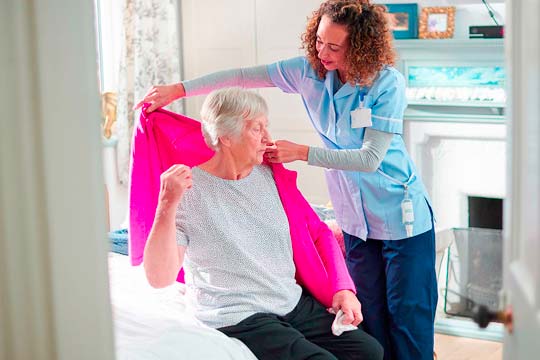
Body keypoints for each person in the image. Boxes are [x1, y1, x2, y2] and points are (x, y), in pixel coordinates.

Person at [136, 1, 437, 359]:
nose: (322, 52)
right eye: (320, 41)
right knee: (371, 319)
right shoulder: (308, 72)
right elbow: (243, 77)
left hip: (398, 212)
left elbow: (370, 159)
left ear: (358, 47)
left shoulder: (386, 83)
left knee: (408, 319)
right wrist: (179, 89)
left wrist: (302, 152)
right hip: (355, 219)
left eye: (334, 47)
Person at [143, 87, 383, 360]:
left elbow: (318, 232)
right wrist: (166, 204)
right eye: (257, 129)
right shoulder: (189, 191)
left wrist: (343, 289)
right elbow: (159, 278)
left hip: (287, 300)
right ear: (225, 136)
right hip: (237, 312)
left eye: (266, 127)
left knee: (369, 352)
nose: (268, 138)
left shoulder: (271, 175)